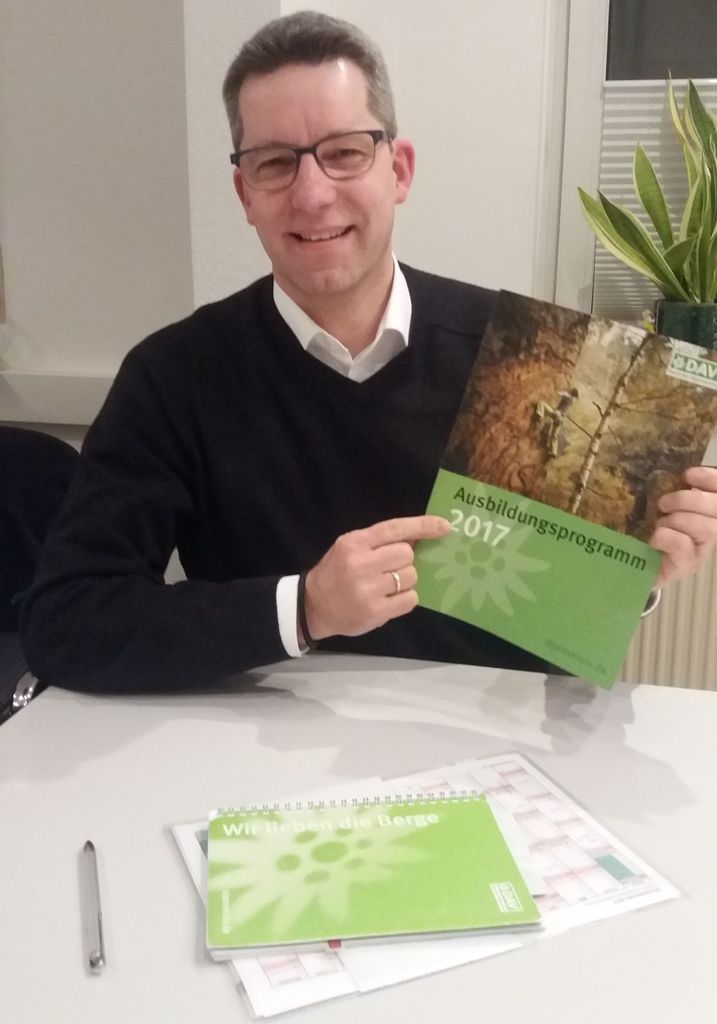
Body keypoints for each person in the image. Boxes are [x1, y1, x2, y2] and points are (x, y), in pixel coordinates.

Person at [20, 10, 717, 693]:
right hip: (263, 746)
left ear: (399, 170)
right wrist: (304, 609)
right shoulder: (173, 377)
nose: (312, 193)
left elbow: (551, 630)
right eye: (274, 163)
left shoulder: (526, 361)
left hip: (486, 747)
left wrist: (630, 579)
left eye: (345, 152)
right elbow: (67, 621)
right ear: (244, 193)